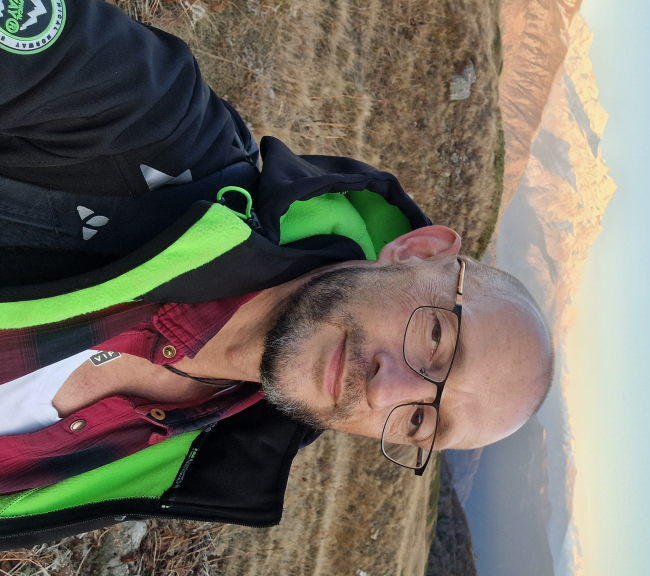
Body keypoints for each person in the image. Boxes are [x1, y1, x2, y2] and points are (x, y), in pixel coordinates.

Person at [0, 0, 552, 548]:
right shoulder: (152, 124)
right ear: (416, 250)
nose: (389, 390)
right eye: (437, 338)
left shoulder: (178, 464)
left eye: (418, 423)